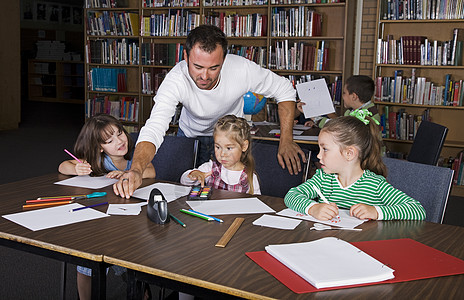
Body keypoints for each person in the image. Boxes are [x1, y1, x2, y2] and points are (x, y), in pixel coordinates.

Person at [114, 24, 305, 199]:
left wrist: (286, 139)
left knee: (234, 195)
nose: (205, 76)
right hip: (190, 138)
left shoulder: (242, 69)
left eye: (214, 68)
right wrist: (137, 170)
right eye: (198, 67)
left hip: (230, 140)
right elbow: (154, 127)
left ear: (224, 60)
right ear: (186, 57)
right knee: (187, 195)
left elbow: (285, 89)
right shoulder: (175, 80)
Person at [58, 114, 155, 300]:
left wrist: (130, 172)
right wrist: (75, 169)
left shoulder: (133, 159)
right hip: (98, 223)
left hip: (127, 223)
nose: (119, 141)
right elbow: (63, 166)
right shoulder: (95, 163)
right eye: (110, 140)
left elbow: (151, 171)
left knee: (126, 258)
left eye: (120, 134)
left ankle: (140, 290)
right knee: (86, 262)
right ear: (99, 148)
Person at [284, 112, 426, 221]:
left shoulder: (375, 184)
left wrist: (376, 212)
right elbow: (291, 195)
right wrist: (313, 208)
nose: (319, 156)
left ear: (349, 153)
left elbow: (417, 210)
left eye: (325, 149)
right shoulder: (322, 178)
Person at [180, 114, 260, 195]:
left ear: (244, 146)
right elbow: (183, 181)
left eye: (229, 148)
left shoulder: (250, 177)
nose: (222, 154)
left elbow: (256, 204)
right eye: (218, 147)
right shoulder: (210, 168)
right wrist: (194, 175)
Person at [297, 75, 380, 128]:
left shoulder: (366, 114)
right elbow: (339, 122)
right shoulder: (355, 111)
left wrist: (311, 114)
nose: (342, 97)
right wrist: (315, 122)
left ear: (354, 96)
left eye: (344, 93)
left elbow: (338, 127)